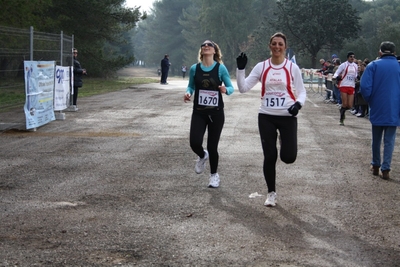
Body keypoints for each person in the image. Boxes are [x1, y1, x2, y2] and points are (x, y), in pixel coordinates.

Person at [236, 32, 307, 207]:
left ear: (285, 47)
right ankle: (271, 193)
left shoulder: (292, 68)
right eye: (274, 43)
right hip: (266, 116)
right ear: (270, 46)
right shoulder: (262, 67)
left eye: (280, 44)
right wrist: (240, 69)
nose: (277, 47)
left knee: (288, 157)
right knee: (270, 156)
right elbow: (243, 88)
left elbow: (302, 91)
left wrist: (298, 104)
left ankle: (284, 139)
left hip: (287, 116)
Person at [183, 40, 234, 188]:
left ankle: (214, 175)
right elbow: (191, 86)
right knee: (194, 142)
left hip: (216, 113)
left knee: (213, 146)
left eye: (209, 45)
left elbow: (231, 87)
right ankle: (202, 155)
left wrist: (226, 90)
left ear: (214, 51)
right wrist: (188, 93)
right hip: (199, 112)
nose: (206, 46)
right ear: (202, 51)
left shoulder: (220, 68)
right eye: (203, 45)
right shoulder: (194, 69)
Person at [360, 41, 400, 180]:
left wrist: (371, 99)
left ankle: (375, 164)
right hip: (394, 107)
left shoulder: (373, 66)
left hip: (377, 106)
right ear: (394, 53)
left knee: (376, 138)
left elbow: (365, 87)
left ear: (380, 52)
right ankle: (386, 168)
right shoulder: (398, 66)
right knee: (390, 140)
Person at [333, 51, 358, 126]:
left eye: (353, 57)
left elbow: (355, 74)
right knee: (345, 103)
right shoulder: (344, 65)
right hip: (344, 85)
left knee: (350, 105)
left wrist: (356, 77)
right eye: (351, 57)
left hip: (351, 86)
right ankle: (341, 118)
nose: (352, 58)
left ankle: (342, 110)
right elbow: (337, 72)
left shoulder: (355, 66)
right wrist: (336, 77)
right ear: (348, 57)